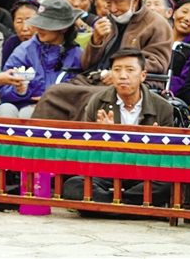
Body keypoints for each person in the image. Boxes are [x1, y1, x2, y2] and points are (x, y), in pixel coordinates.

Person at [32, 0, 172, 121]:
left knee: (92, 99)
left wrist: (120, 72)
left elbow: (158, 63)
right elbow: (86, 64)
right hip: (95, 79)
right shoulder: (107, 20)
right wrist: (96, 40)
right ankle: (40, 137)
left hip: (130, 84)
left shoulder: (156, 24)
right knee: (53, 93)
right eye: (108, 2)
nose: (113, 9)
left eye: (118, 3)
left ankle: (81, 137)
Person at [63, 47, 173, 208]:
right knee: (73, 186)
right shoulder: (97, 102)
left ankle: (107, 206)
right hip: (107, 171)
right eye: (117, 70)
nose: (123, 76)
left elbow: (167, 160)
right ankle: (130, 207)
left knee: (167, 186)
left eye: (130, 70)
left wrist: (153, 145)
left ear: (143, 75)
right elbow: (87, 153)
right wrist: (102, 138)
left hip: (144, 172)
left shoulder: (163, 107)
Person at [0, 0, 83, 118]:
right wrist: (19, 91)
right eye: (39, 23)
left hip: (57, 109)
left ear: (64, 28)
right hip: (18, 103)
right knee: (4, 109)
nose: (40, 29)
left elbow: (81, 93)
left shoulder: (77, 55)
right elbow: (2, 88)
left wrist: (51, 100)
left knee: (28, 114)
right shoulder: (24, 50)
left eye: (46, 25)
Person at [1, 0, 39, 66]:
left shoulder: (48, 44)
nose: (24, 28)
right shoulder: (11, 43)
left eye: (30, 21)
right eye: (19, 22)